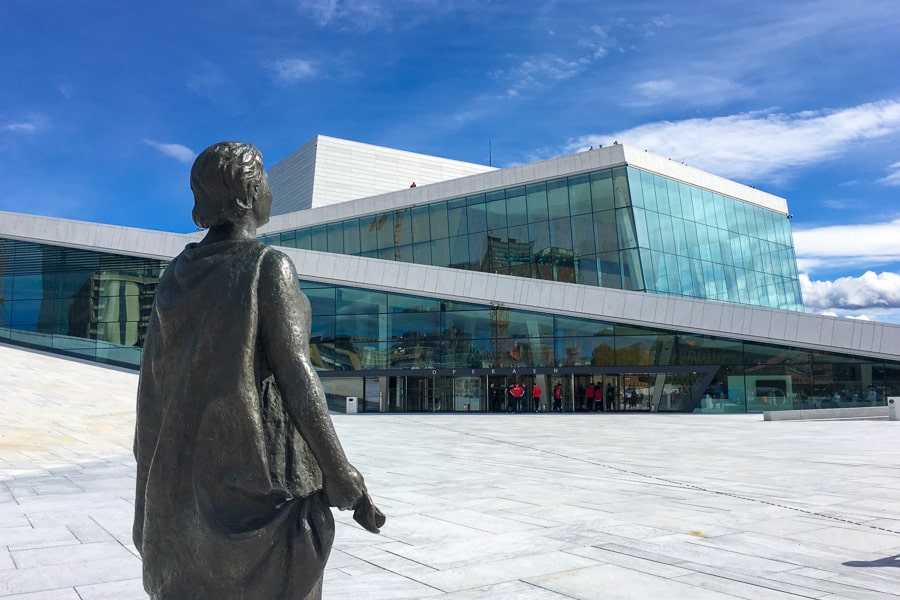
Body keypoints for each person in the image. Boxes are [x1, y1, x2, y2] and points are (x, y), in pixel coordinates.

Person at [133, 142, 383, 600]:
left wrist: (145, 497)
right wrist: (339, 469)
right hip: (264, 486)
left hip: (183, 485)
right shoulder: (269, 266)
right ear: (246, 196)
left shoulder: (175, 276)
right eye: (264, 180)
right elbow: (297, 374)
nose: (270, 190)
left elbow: (151, 390)